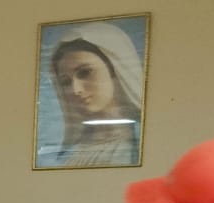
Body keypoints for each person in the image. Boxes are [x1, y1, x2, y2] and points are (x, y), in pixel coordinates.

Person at [43, 21, 145, 168]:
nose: (76, 89)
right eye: (65, 82)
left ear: (114, 69)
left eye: (85, 72)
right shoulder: (66, 153)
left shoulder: (140, 142)